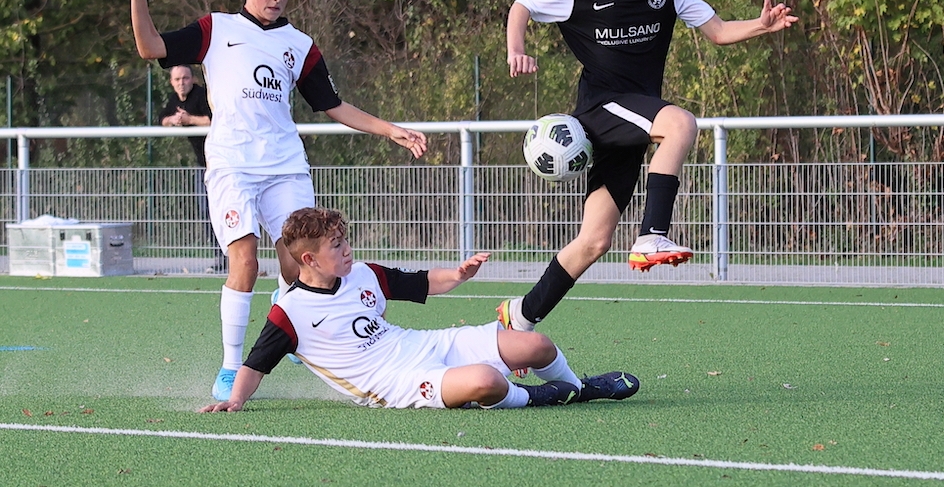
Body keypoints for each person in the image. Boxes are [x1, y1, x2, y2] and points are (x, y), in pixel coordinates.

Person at [123, 0, 429, 402]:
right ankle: (232, 367)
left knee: (300, 263)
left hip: (285, 167)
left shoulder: (299, 45)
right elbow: (150, 47)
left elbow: (332, 104)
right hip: (232, 165)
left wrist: (391, 130)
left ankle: (288, 311)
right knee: (245, 261)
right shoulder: (215, 29)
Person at [498, 0, 798, 344]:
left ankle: (520, 316)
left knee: (594, 241)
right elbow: (521, 6)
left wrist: (761, 25)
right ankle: (652, 235)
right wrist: (516, 49)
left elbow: (717, 31)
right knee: (681, 124)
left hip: (633, 122)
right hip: (601, 109)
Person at [199, 207, 640, 412]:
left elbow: (422, 282)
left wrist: (459, 273)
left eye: (345, 240)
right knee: (487, 381)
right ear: (309, 259)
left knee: (535, 345)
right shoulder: (289, 312)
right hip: (397, 384)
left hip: (424, 345)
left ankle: (577, 387)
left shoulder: (364, 273)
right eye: (336, 245)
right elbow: (255, 365)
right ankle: (540, 397)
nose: (347, 249)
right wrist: (235, 401)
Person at [157, 65, 225, 271]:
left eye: (185, 78)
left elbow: (215, 119)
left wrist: (189, 120)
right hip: (202, 164)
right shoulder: (175, 100)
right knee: (205, 210)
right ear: (171, 82)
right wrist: (172, 120)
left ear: (192, 79)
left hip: (223, 162)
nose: (181, 83)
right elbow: (161, 119)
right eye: (177, 79)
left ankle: (234, 256)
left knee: (224, 210)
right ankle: (220, 257)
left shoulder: (202, 95)